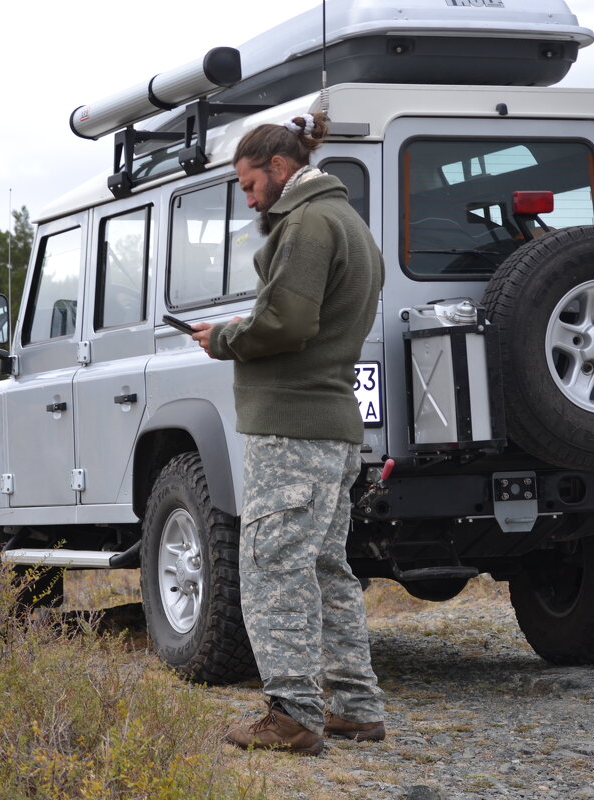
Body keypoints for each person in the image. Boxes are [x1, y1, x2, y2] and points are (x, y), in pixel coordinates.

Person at [190, 111, 386, 756]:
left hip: (291, 429)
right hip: (332, 428)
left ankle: (293, 715)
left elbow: (289, 323)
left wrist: (224, 338)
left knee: (273, 567)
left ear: (279, 169)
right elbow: (307, 319)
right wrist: (258, 322)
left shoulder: (305, 224)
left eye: (249, 185)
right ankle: (355, 706)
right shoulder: (349, 223)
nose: (247, 198)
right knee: (327, 568)